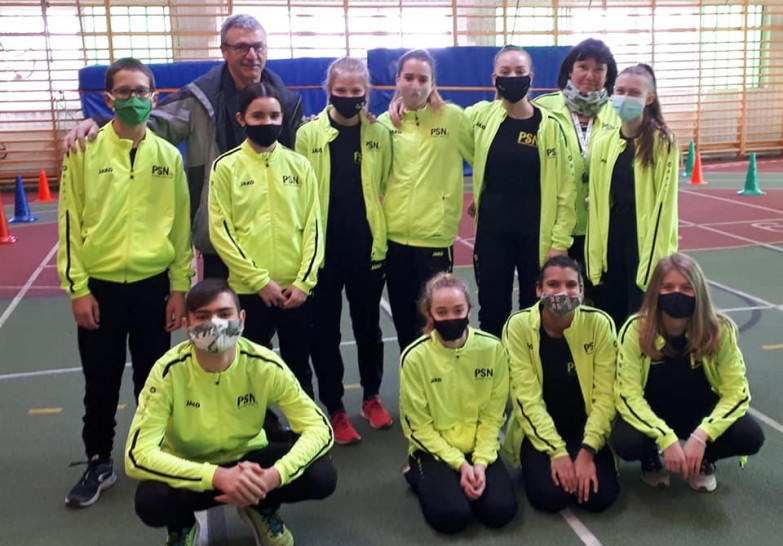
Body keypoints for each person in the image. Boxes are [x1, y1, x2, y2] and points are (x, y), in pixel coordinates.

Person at [62, 14, 304, 280]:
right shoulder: (199, 98)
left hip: (274, 231)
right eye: (241, 47)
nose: (252, 55)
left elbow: (300, 154)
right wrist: (99, 121)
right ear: (224, 51)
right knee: (219, 307)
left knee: (276, 303)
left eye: (258, 47)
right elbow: (149, 123)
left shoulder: (288, 102)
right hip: (219, 234)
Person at [57, 57, 193, 507]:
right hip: (100, 290)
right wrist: (78, 289)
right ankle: (98, 461)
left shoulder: (168, 156)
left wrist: (179, 289)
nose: (133, 99)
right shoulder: (84, 152)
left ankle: (151, 454)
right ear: (109, 97)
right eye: (124, 91)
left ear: (154, 97)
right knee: (100, 381)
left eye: (140, 91)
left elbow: (180, 229)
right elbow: (69, 224)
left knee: (153, 381)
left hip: (153, 289)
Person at [126, 279, 337, 546]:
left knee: (321, 474)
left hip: (250, 462)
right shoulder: (167, 372)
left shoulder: (264, 364)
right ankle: (181, 525)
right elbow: (137, 454)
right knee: (152, 500)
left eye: (224, 314)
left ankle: (260, 505)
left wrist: (273, 477)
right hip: (192, 466)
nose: (215, 324)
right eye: (203, 316)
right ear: (186, 325)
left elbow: (319, 428)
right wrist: (217, 476)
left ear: (242, 318)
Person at [295, 57, 394, 444]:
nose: (349, 97)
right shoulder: (308, 134)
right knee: (325, 333)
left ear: (366, 92)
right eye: (342, 90)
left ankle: (371, 397)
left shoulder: (379, 133)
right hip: (323, 252)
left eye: (357, 91)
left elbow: (383, 181)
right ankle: (335, 408)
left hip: (367, 248)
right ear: (329, 90)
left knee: (369, 328)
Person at [611, 253, 764, 492]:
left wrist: (703, 435)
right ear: (656, 291)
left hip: (700, 414)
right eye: (668, 287)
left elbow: (737, 393)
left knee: (750, 435)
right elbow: (627, 395)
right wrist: (664, 437)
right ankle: (650, 458)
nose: (677, 294)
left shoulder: (719, 330)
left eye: (686, 287)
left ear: (699, 291)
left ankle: (704, 459)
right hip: (654, 413)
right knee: (625, 440)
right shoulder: (635, 330)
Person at [208, 81, 323, 399]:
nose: (267, 122)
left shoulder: (300, 165)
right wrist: (259, 281)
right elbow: (221, 232)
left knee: (299, 369)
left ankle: (304, 425)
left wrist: (303, 283)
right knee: (248, 369)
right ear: (241, 119)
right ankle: (258, 425)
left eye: (274, 115)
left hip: (295, 291)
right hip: (248, 290)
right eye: (258, 116)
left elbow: (313, 227)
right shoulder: (226, 167)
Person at [466, 45, 576, 337]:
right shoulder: (480, 116)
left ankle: (531, 366)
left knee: (535, 314)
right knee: (492, 313)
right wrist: (401, 104)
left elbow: (566, 191)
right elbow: (446, 123)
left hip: (536, 238)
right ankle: (495, 366)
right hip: (492, 235)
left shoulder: (549, 126)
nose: (512, 77)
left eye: (519, 71)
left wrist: (559, 242)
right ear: (494, 79)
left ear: (531, 77)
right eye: (505, 72)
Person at [400, 273, 517, 534]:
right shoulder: (415, 357)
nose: (451, 317)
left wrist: (480, 464)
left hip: (478, 447)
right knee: (453, 517)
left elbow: (493, 417)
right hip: (433, 450)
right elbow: (418, 427)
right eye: (441, 312)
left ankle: (458, 479)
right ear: (430, 314)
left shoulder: (493, 349)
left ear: (469, 311)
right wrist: (460, 464)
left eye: (458, 310)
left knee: (500, 511)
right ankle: (417, 472)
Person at [502, 256, 619, 513]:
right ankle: (539, 459)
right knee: (549, 497)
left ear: (581, 290)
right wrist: (557, 453)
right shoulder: (518, 327)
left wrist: (587, 451)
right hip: (540, 430)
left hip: (584, 427)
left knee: (600, 497)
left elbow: (606, 396)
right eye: (553, 284)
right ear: (538, 290)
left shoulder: (599, 324)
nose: (562, 292)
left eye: (571, 285)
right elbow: (526, 399)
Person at [379, 49, 474, 352]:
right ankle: (412, 374)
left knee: (438, 321)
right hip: (395, 238)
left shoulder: (453, 118)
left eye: (423, 79)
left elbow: (483, 155)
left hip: (434, 238)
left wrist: (482, 197)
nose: (415, 85)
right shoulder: (385, 123)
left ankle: (442, 377)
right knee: (404, 320)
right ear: (398, 80)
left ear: (433, 83)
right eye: (409, 77)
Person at [585, 63, 679, 328]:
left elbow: (664, 207)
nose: (625, 97)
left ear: (649, 99)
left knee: (640, 321)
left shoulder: (663, 143)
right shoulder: (602, 142)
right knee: (610, 318)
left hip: (642, 243)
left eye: (634, 92)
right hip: (611, 241)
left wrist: (654, 263)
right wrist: (594, 257)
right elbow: (596, 203)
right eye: (620, 90)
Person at [534, 38, 620, 287]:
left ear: (607, 75)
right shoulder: (542, 109)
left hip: (602, 230)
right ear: (569, 71)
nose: (590, 75)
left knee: (601, 299)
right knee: (558, 300)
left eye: (598, 69)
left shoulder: (618, 114)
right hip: (555, 231)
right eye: (583, 67)